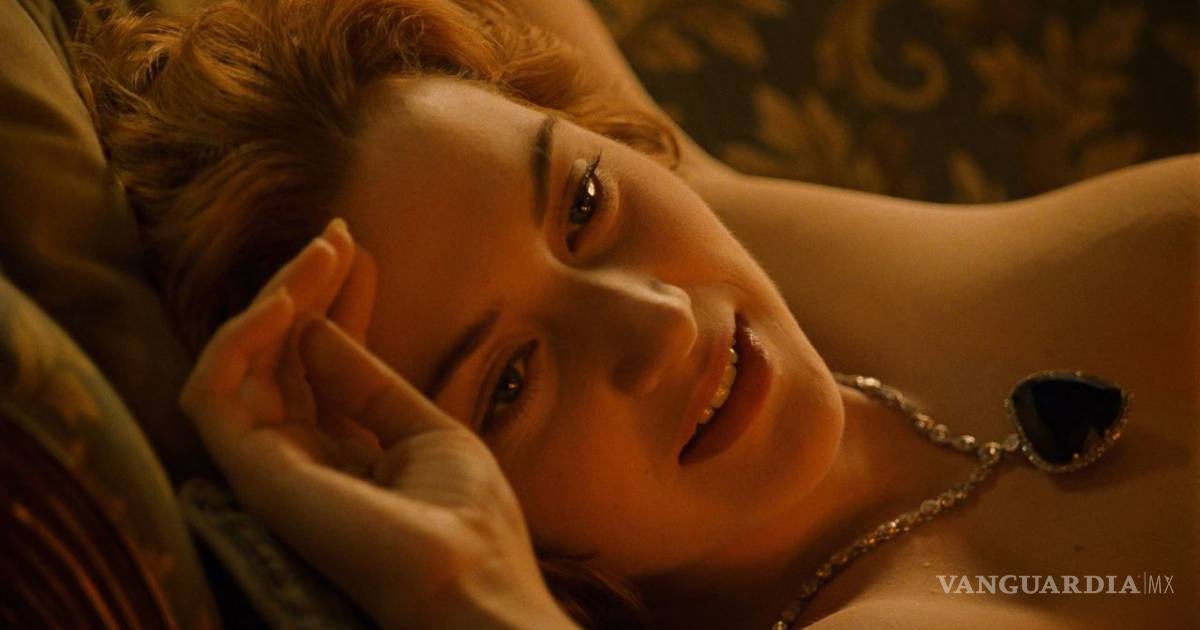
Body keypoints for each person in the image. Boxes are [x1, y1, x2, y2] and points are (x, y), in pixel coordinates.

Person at [76, 0, 1199, 627]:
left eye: (582, 206)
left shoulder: (728, 220)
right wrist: (471, 594)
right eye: (510, 382)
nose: (657, 322)